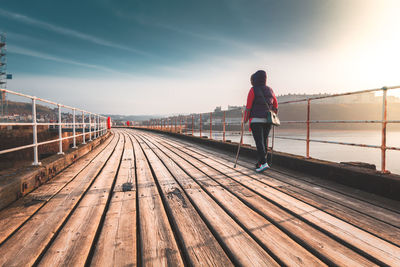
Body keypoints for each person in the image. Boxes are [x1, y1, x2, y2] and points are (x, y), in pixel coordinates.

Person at [244, 70, 278, 172]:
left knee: (259, 142)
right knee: (264, 141)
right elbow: (275, 105)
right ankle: (260, 163)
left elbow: (248, 107)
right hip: (267, 120)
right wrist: (273, 115)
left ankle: (263, 163)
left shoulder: (253, 90)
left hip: (256, 120)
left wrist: (245, 119)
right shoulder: (270, 90)